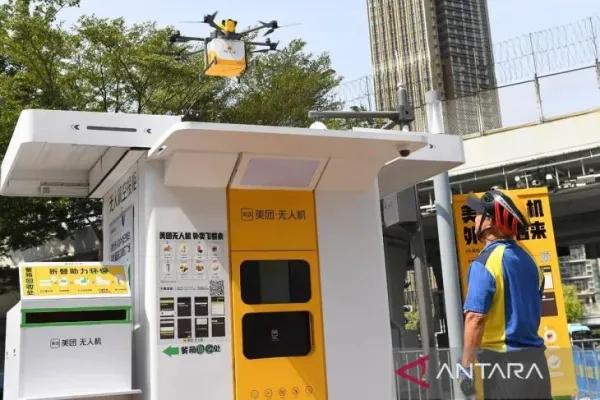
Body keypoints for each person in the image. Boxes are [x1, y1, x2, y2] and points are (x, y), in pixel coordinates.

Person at [458, 189, 552, 399]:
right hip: (537, 363)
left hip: (504, 367)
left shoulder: (486, 262)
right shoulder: (530, 261)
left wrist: (466, 367)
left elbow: (475, 317)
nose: (475, 219)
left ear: (490, 222)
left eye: (479, 214)